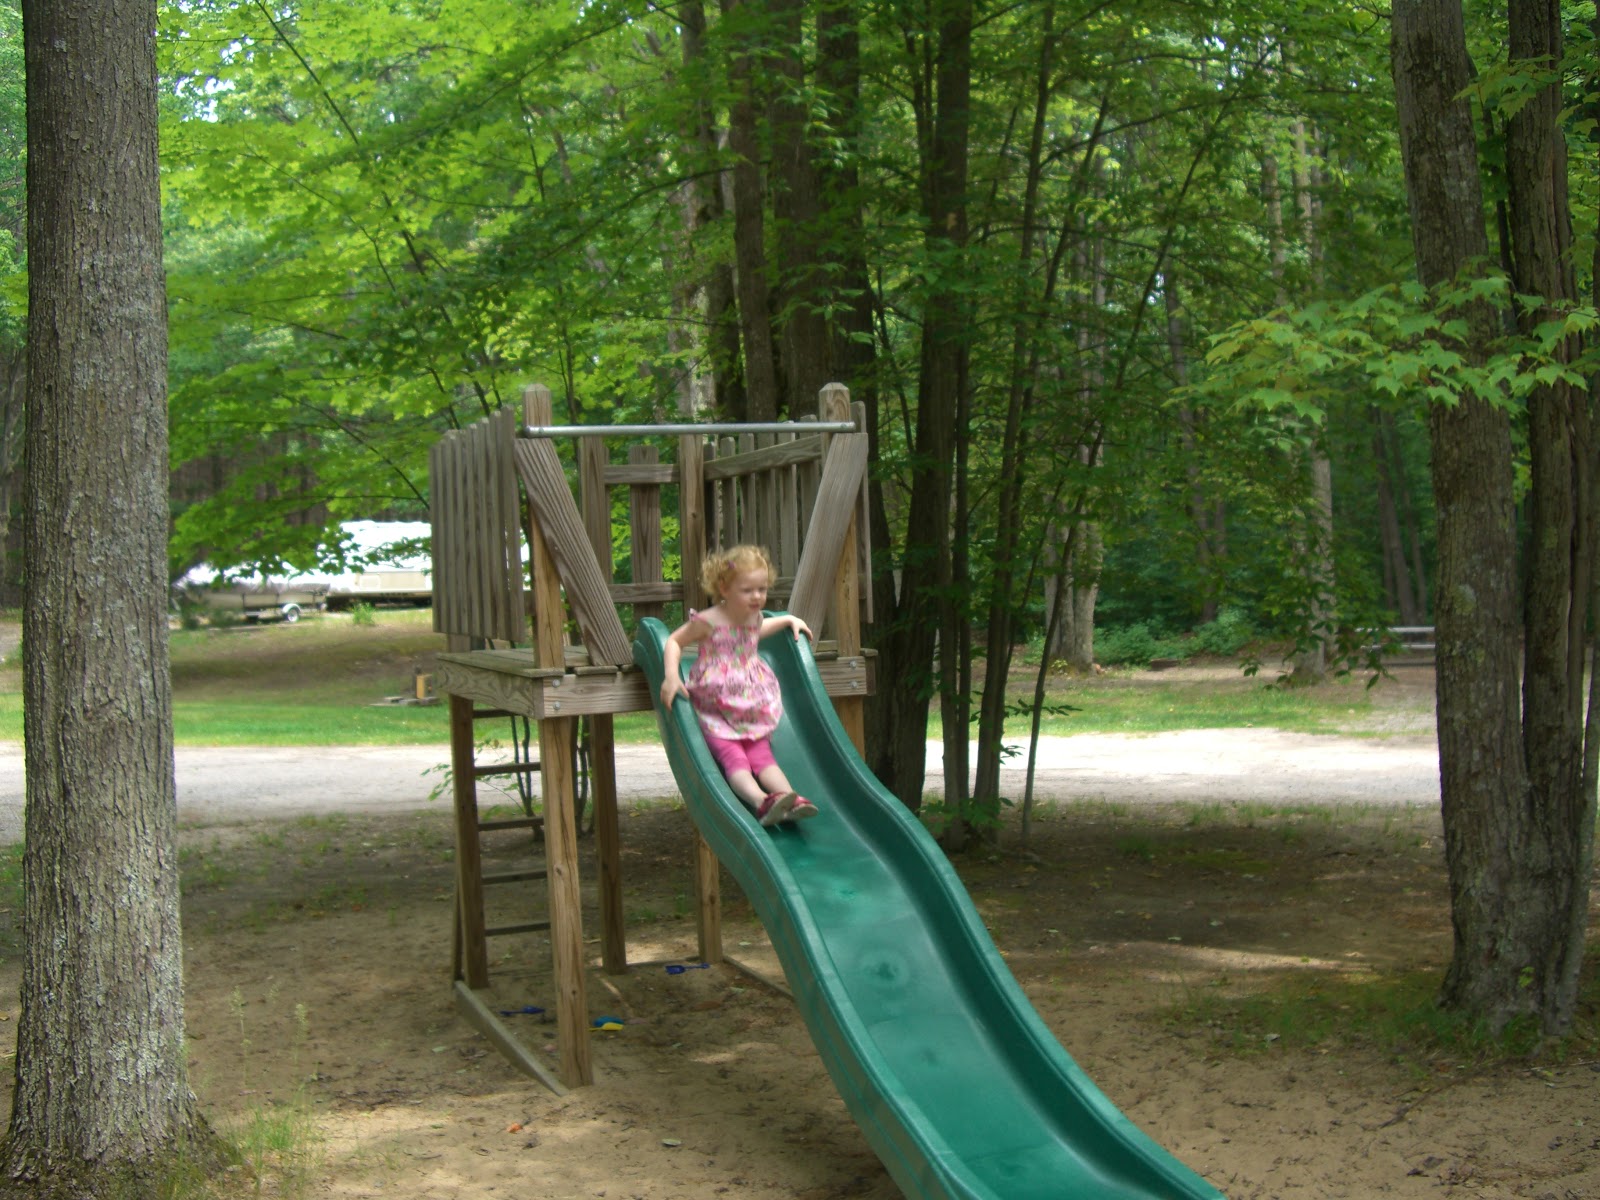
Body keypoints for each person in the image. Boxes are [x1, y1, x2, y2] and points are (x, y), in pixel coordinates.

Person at [660, 544, 819, 826]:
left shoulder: (753, 617)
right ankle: (761, 802)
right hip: (716, 709)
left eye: (762, 589)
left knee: (763, 757)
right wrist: (672, 675)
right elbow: (674, 641)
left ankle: (789, 798)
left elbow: (757, 631)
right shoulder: (708, 621)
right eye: (748, 590)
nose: (757, 596)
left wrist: (788, 619)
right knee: (735, 759)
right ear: (724, 588)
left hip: (749, 706)